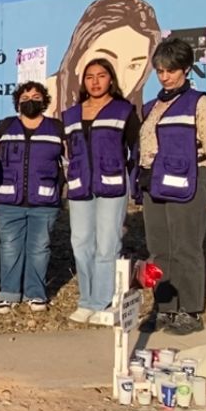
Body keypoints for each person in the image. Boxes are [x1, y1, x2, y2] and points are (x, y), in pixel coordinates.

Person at [137, 37, 206, 335]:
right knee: (159, 249)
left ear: (186, 69)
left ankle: (190, 311)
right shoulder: (152, 106)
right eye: (160, 70)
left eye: (171, 70)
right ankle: (165, 308)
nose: (164, 76)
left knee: (186, 248)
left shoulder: (199, 103)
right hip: (155, 185)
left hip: (189, 182)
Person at [63, 59, 141, 325]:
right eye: (89, 77)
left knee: (107, 244)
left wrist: (129, 176)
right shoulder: (71, 114)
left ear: (111, 79)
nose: (95, 82)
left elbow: (136, 148)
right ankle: (86, 300)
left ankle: (103, 301)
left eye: (101, 75)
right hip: (79, 186)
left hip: (112, 185)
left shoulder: (123, 110)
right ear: (83, 82)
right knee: (81, 242)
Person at [0, 82, 64, 317]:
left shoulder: (56, 129)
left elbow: (69, 162)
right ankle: (8, 294)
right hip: (9, 201)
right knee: (9, 248)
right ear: (17, 102)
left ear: (44, 101)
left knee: (39, 248)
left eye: (36, 96)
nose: (30, 100)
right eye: (25, 96)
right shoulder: (5, 127)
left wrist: (60, 187)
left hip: (44, 202)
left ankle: (35, 293)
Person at [50, 0, 161, 116]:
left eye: (134, 66)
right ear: (78, 57)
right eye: (106, 61)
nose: (119, 80)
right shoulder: (41, 107)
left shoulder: (136, 114)